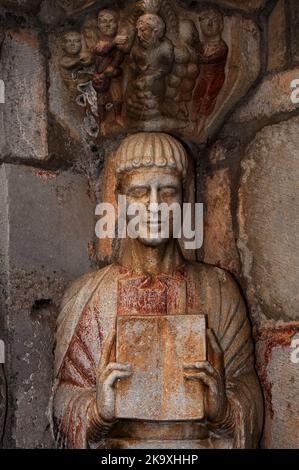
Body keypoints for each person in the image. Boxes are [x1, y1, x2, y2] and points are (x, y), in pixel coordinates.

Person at [51, 132, 263, 449]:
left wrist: (223, 409)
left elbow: (248, 392)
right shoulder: (90, 295)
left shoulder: (218, 292)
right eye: (139, 192)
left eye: (167, 192)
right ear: (120, 201)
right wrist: (96, 412)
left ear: (184, 200)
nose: (154, 206)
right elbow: (63, 397)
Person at [126, 14, 174, 122]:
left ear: (155, 31)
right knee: (135, 105)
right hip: (138, 84)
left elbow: (167, 66)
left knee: (151, 106)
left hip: (156, 84)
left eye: (143, 30)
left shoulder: (165, 48)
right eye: (137, 31)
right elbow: (131, 62)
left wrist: (154, 76)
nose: (138, 35)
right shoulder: (136, 49)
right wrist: (138, 68)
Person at [191, 9, 228, 134]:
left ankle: (201, 124)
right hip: (203, 77)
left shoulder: (221, 46)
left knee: (207, 98)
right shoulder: (202, 45)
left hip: (215, 78)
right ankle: (192, 121)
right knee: (197, 95)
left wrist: (197, 56)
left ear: (222, 26)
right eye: (206, 20)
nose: (210, 24)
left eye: (214, 21)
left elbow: (209, 59)